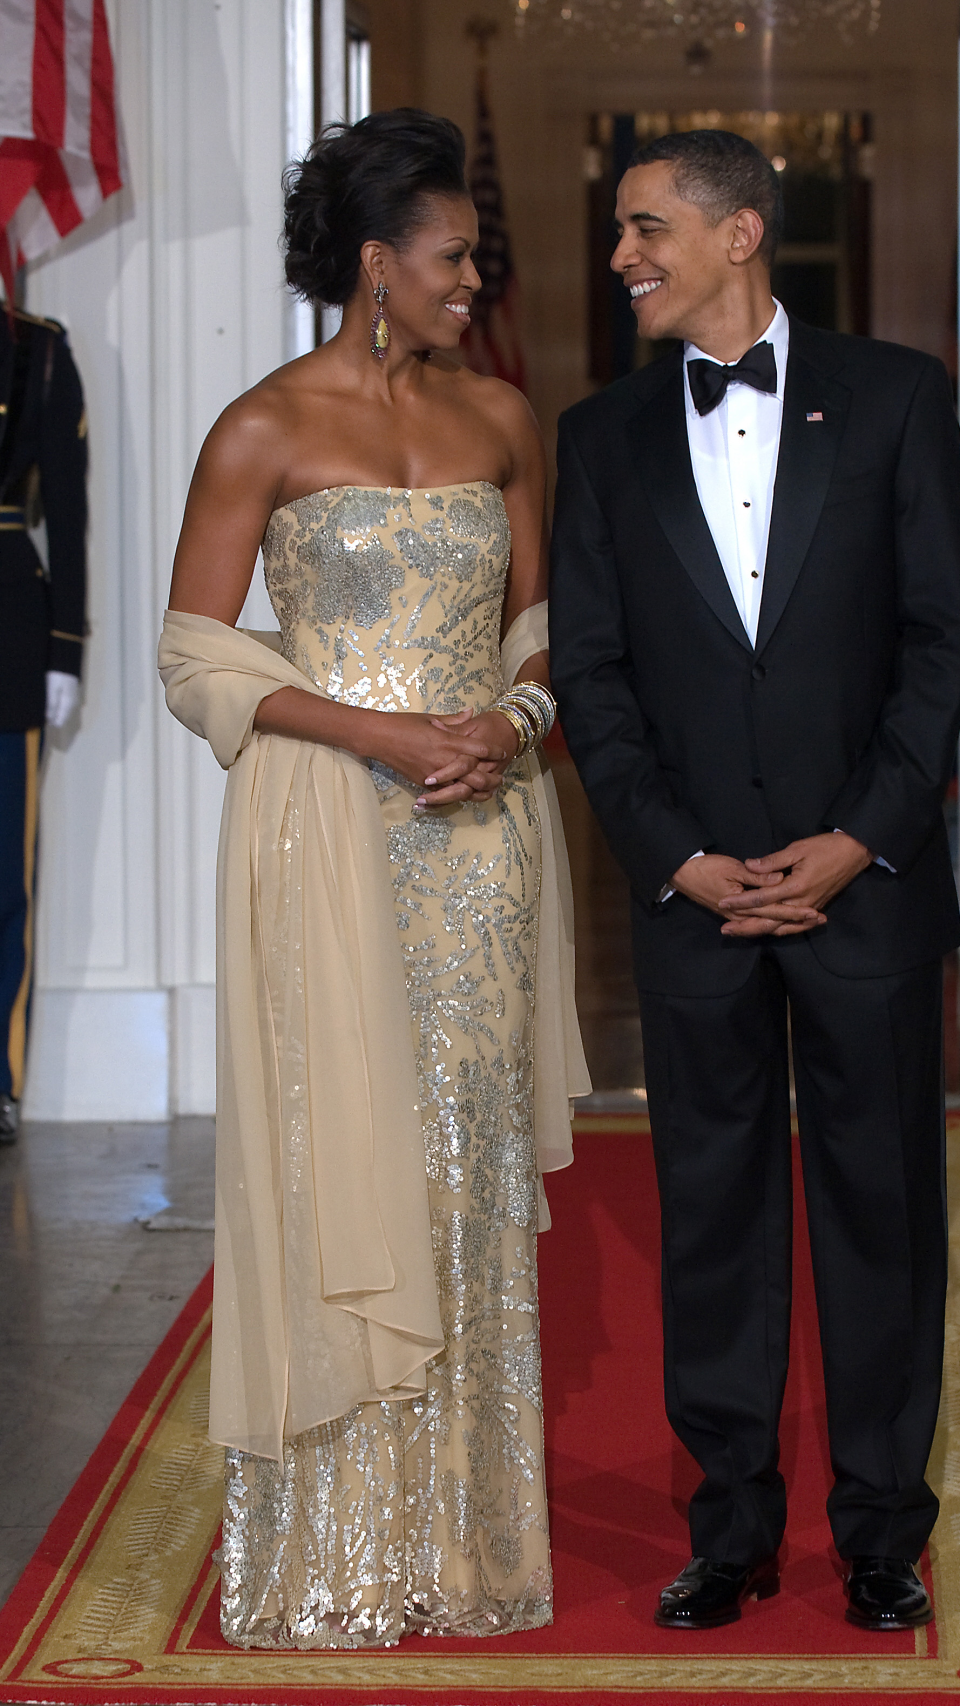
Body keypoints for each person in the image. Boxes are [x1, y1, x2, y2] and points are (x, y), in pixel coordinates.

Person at [159, 108, 589, 1650]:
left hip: (482, 843)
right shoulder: (261, 429)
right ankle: (333, 1552)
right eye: (456, 255)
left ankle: (464, 1548)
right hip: (325, 830)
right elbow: (194, 652)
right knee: (338, 1146)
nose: (477, 280)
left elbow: (542, 624)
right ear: (375, 264)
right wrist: (379, 733)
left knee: (461, 1165)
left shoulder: (501, 420)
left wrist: (510, 720)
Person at [549, 128, 960, 1634]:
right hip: (695, 900)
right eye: (615, 231)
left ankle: (881, 1531)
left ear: (740, 233)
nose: (621, 257)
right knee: (711, 1215)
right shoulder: (596, 440)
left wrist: (860, 838)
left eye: (644, 225)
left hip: (872, 885)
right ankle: (728, 1529)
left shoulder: (908, 397)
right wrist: (679, 857)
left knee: (882, 1212)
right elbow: (592, 682)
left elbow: (942, 645)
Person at [0, 304, 87, 1142]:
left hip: (8, 630)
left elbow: (66, 502)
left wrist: (66, 648)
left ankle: (0, 1079)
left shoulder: (37, 351)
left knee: (2, 877)